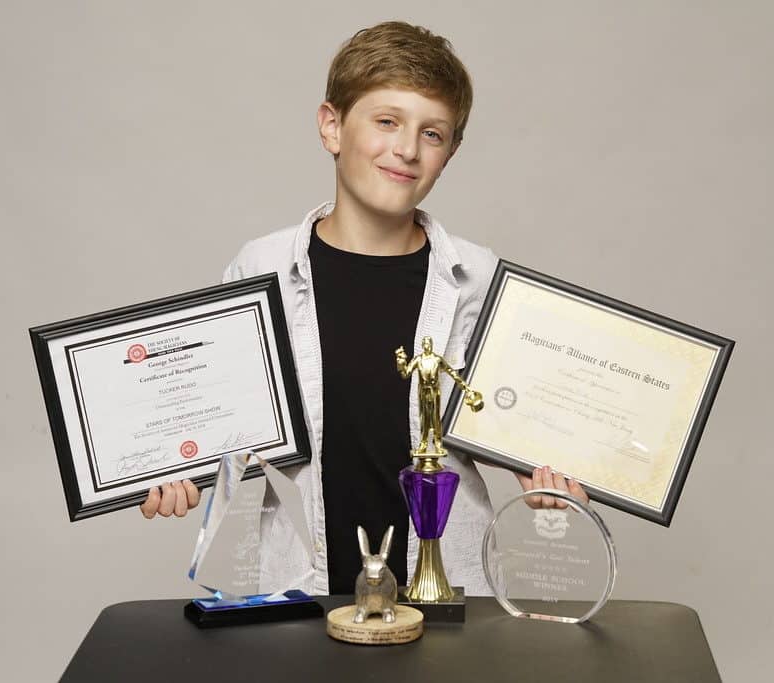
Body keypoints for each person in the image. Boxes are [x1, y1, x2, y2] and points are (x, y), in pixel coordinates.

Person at [139, 21, 589, 595]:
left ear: (450, 153)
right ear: (332, 126)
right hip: (293, 591)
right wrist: (173, 467)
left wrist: (545, 470)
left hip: (444, 594)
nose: (406, 149)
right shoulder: (261, 270)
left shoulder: (479, 279)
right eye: (386, 122)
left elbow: (511, 416)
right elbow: (208, 417)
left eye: (433, 133)